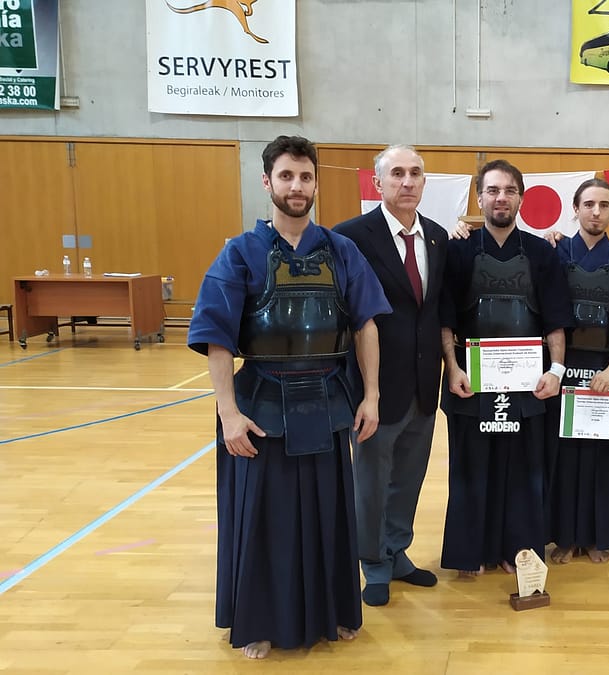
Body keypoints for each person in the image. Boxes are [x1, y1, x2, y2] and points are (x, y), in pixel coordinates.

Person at [188, 135, 391, 659]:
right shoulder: (240, 252)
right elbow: (216, 337)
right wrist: (228, 414)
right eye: (286, 176)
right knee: (266, 518)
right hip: (261, 407)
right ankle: (259, 620)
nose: (296, 186)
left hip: (327, 402)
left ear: (316, 183)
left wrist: (371, 395)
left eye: (305, 177)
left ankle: (335, 610)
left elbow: (366, 325)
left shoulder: (341, 251)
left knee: (329, 513)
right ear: (267, 182)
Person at [439, 159, 574, 575]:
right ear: (479, 198)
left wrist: (556, 370)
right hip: (472, 379)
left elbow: (555, 319)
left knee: (523, 471)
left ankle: (518, 551)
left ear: (521, 198)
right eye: (493, 190)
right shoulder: (457, 250)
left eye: (509, 191)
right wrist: (452, 368)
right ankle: (470, 553)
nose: (501, 198)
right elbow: (445, 319)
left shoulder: (541, 252)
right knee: (471, 469)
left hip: (526, 381)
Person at [333, 145, 447, 607]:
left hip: (424, 384)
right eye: (396, 173)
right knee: (372, 481)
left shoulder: (437, 237)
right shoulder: (350, 237)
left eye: (415, 173)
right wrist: (367, 391)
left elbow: (434, 312)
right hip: (374, 388)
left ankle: (397, 551)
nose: (407, 181)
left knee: (409, 477)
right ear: (378, 183)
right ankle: (373, 563)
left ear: (424, 182)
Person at [548, 179, 609, 564]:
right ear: (575, 209)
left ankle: (596, 537)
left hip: (607, 369)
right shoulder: (556, 252)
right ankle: (564, 536)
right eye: (588, 204)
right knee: (563, 457)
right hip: (562, 366)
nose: (596, 211)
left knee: (603, 459)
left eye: (604, 205)